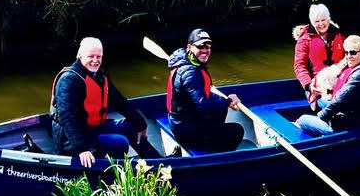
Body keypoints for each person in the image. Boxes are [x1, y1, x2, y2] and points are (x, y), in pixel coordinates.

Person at [49, 37, 158, 167]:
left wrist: (141, 124)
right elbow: (66, 118)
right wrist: (82, 149)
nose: (95, 61)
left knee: (132, 126)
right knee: (120, 143)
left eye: (98, 56)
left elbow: (120, 102)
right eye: (91, 56)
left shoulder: (99, 76)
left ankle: (158, 162)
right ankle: (115, 174)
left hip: (93, 128)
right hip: (71, 140)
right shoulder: (69, 80)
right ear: (80, 56)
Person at [167, 29, 244, 152]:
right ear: (189, 47)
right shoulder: (190, 72)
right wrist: (227, 101)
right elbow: (204, 106)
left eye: (208, 46)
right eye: (200, 46)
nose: (205, 50)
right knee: (237, 130)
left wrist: (225, 101)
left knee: (220, 110)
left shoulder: (190, 64)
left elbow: (203, 95)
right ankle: (219, 158)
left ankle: (213, 140)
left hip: (182, 123)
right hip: (186, 131)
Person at [294, 35, 360, 134]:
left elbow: (342, 99)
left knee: (302, 119)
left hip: (352, 123)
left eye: (353, 52)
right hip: (355, 112)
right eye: (346, 52)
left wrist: (322, 117)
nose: (348, 56)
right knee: (321, 102)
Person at [292, 3, 346, 109]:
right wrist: (309, 85)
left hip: (338, 83)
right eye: (317, 21)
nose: (321, 24)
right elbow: (299, 66)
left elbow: (349, 59)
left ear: (328, 19)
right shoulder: (304, 40)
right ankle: (303, 120)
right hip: (316, 86)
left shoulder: (339, 36)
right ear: (312, 22)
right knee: (333, 107)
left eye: (323, 20)